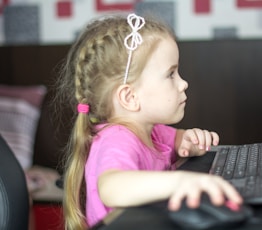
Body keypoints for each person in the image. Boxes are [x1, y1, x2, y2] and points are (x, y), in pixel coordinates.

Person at [57, 13, 242, 230]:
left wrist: (189, 139)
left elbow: (176, 140)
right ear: (130, 97)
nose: (183, 83)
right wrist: (182, 181)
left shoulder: (151, 131)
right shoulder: (117, 139)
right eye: (170, 74)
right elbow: (112, 187)